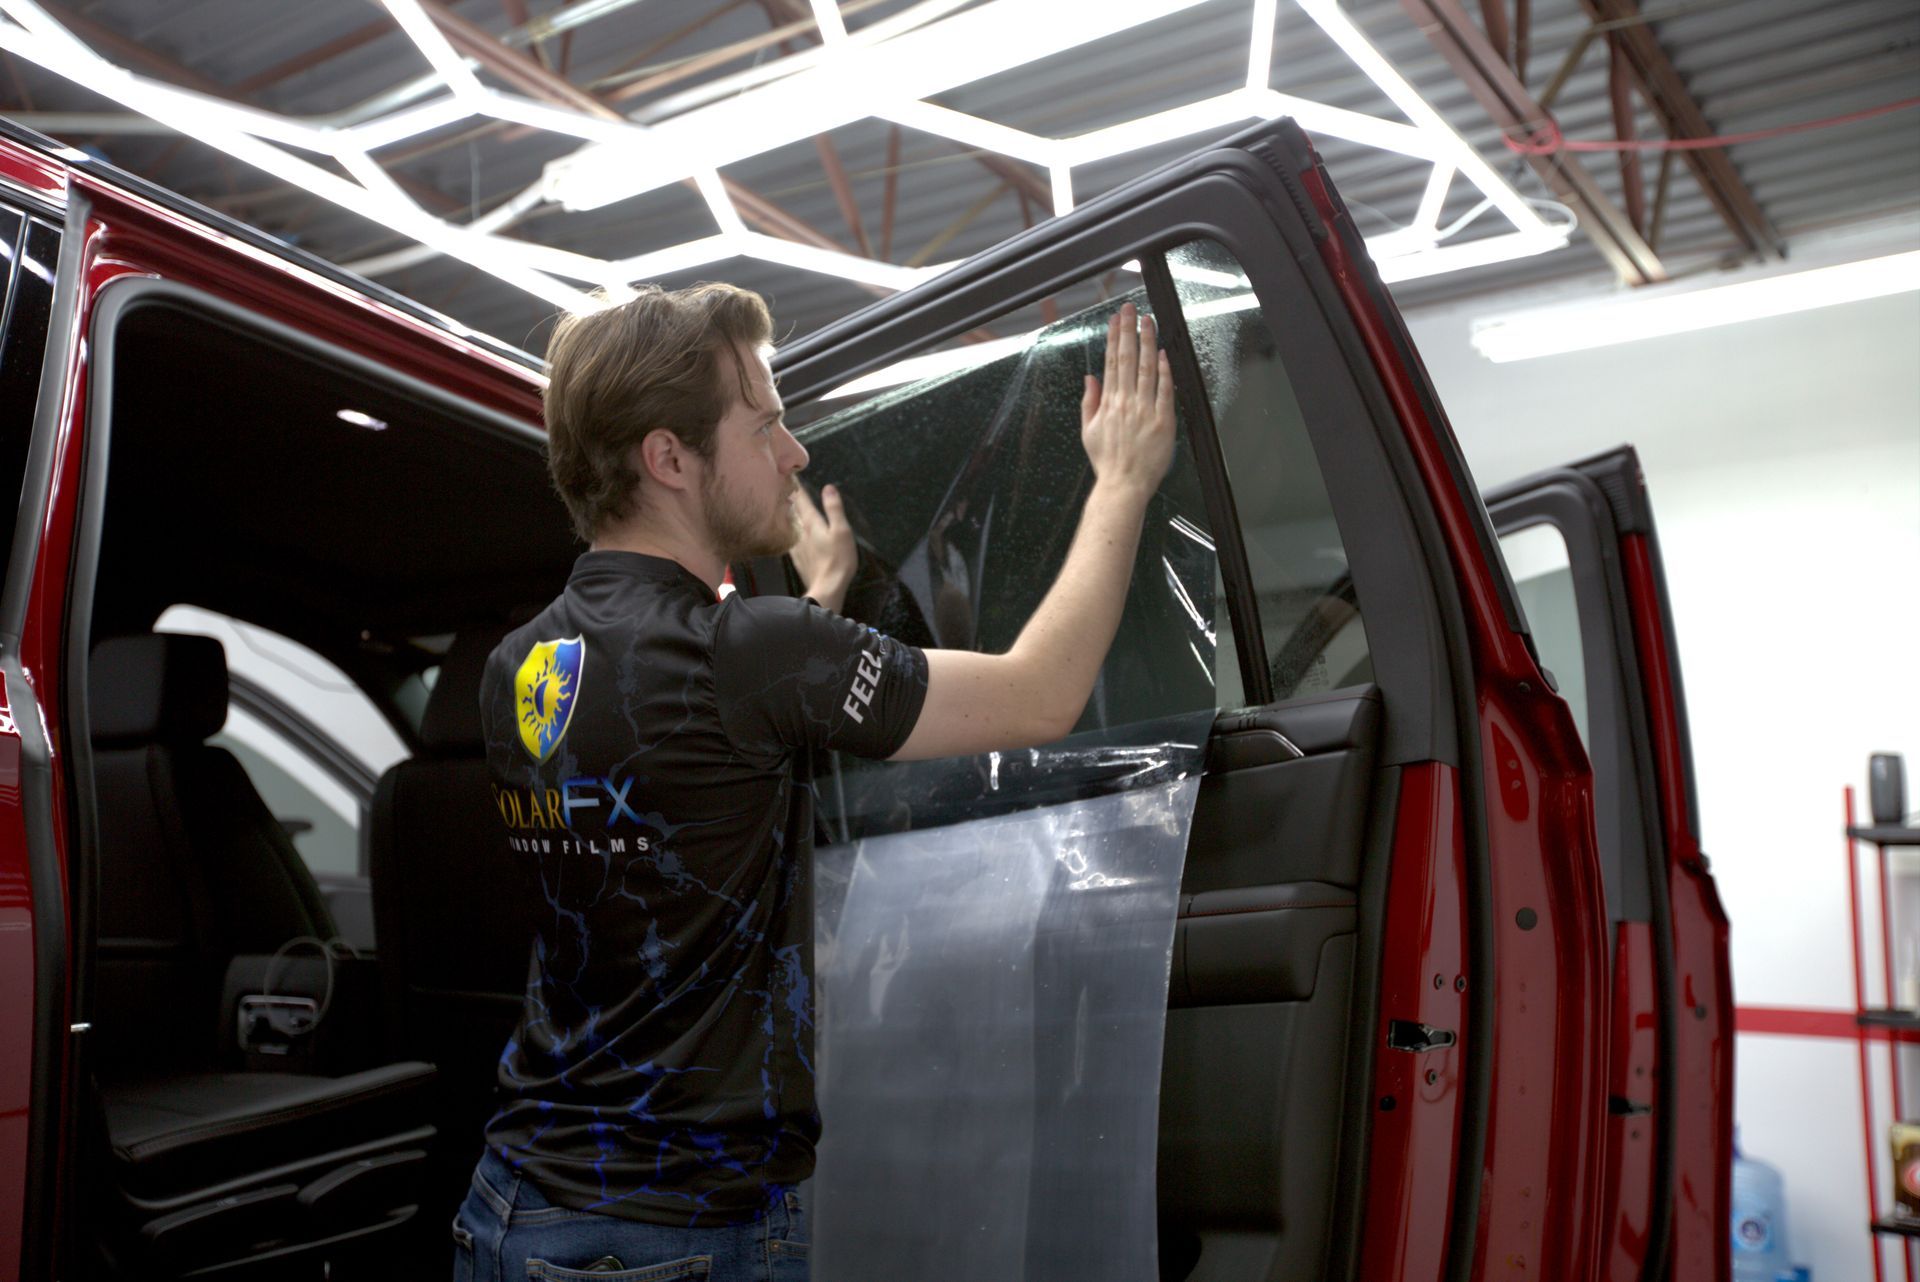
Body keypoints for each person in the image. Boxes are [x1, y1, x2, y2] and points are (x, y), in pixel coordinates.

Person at [454, 281, 1175, 1281]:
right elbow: (1041, 694)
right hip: (679, 1239)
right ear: (668, 458)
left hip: (509, 1207)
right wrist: (1123, 482)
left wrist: (824, 599)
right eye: (766, 425)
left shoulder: (516, 670)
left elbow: (683, 778)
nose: (793, 454)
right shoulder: (756, 651)